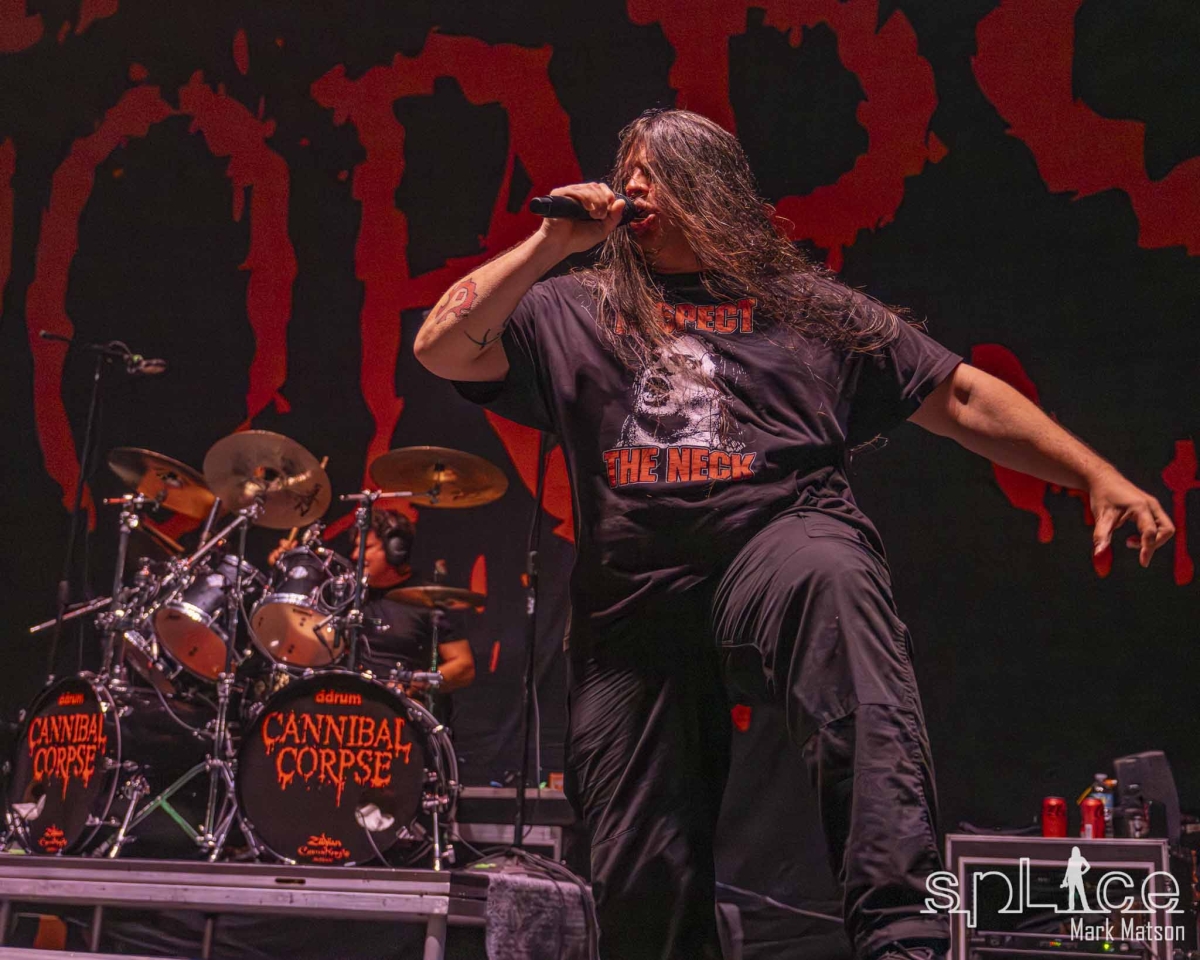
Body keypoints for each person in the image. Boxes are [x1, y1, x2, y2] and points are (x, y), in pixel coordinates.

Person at [413, 108, 1173, 960]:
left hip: (772, 539)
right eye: (627, 171)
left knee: (833, 582)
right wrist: (551, 243)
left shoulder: (802, 306)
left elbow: (958, 395)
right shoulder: (572, 306)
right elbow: (443, 349)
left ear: (712, 189)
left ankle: (901, 934)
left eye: (656, 170)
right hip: (636, 596)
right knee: (639, 869)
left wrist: (1094, 475)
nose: (633, 185)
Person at [268, 510, 475, 706]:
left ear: (396, 550)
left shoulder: (429, 600)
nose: (355, 555)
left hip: (399, 709)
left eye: (366, 548)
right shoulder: (343, 593)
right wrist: (288, 566)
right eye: (356, 547)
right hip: (340, 701)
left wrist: (415, 684)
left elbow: (463, 666)